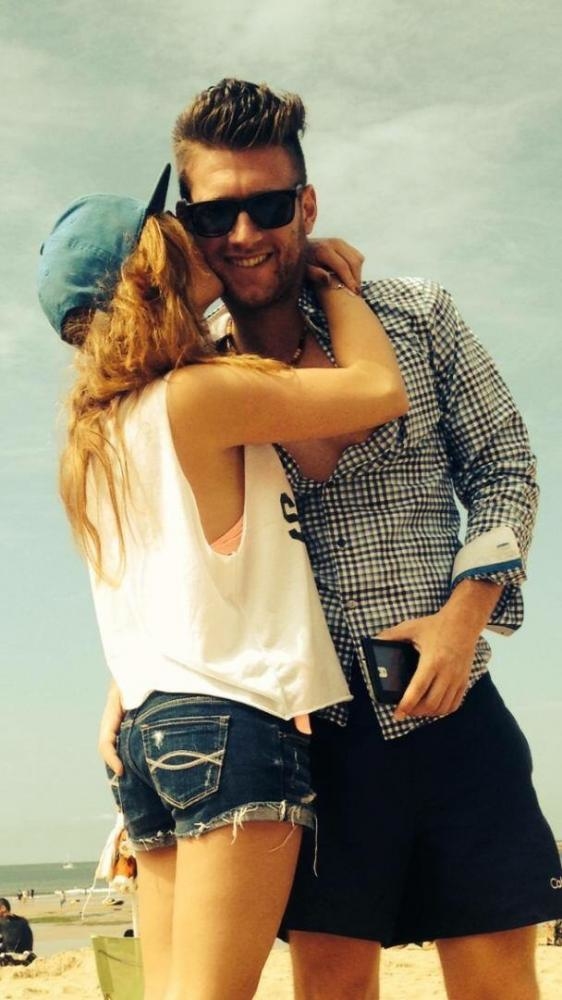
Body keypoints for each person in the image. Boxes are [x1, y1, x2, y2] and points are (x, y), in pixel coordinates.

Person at [102, 78, 562, 1000]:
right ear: (186, 226)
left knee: (499, 985)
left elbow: (506, 470)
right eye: (216, 213)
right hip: (307, 736)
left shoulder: (414, 316)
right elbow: (171, 550)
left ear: (306, 205)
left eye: (269, 206)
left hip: (456, 712)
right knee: (333, 989)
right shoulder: (192, 375)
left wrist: (463, 620)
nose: (244, 233)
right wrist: (135, 681)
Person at [38, 164, 408, 1000]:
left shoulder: (98, 436)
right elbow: (377, 391)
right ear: (150, 274)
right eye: (172, 233)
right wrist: (326, 279)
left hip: (150, 731)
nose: (199, 236)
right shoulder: (201, 396)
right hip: (232, 724)